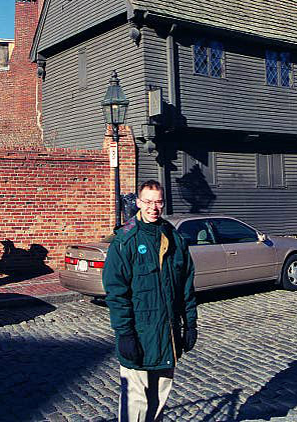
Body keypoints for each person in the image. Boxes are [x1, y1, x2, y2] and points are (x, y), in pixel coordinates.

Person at [103, 180, 198, 422]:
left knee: (160, 397)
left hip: (167, 334)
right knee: (136, 401)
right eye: (147, 201)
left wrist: (190, 324)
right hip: (138, 335)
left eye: (158, 202)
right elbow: (116, 293)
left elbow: (186, 287)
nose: (153, 207)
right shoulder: (125, 240)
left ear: (163, 203)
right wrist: (124, 334)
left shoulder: (174, 239)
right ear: (138, 203)